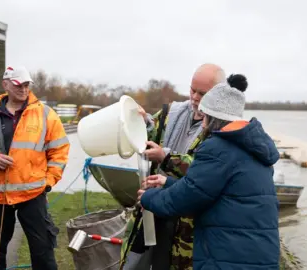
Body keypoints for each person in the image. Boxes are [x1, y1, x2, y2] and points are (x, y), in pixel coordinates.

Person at [138, 80, 281, 269]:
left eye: (204, 116)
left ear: (214, 118)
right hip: (258, 255)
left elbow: (184, 200)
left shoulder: (217, 149)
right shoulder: (255, 148)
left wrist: (148, 197)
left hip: (228, 257)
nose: (202, 123)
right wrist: (169, 183)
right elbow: (214, 192)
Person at [120, 63, 227, 270]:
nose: (195, 97)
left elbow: (206, 171)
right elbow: (151, 138)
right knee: (136, 259)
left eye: (202, 93)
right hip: (152, 204)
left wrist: (166, 157)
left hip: (185, 221)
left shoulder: (220, 128)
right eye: (192, 90)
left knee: (168, 262)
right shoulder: (172, 112)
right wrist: (143, 124)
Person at [0, 66, 70, 270]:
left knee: (43, 249)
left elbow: (59, 151)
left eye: (27, 84)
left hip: (32, 193)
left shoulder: (46, 115)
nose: (23, 88)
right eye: (18, 84)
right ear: (5, 85)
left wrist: (48, 181)